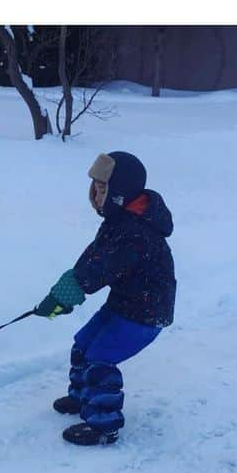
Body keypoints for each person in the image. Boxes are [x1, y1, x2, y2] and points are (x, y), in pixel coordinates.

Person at [34, 151, 176, 445]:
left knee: (100, 358)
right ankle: (83, 398)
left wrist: (66, 295)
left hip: (146, 312)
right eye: (95, 187)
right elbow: (93, 256)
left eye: (102, 188)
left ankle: (104, 425)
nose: (96, 195)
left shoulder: (135, 230)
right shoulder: (121, 219)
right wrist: (62, 293)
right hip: (125, 303)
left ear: (119, 192)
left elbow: (100, 268)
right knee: (83, 344)